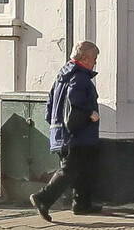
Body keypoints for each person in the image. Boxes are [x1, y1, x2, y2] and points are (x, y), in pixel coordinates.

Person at [33, 40, 102, 219]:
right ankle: (43, 198)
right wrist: (91, 113)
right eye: (94, 58)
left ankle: (82, 204)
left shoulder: (62, 76)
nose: (94, 62)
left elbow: (49, 104)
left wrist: (54, 125)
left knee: (83, 168)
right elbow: (75, 99)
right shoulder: (79, 77)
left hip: (60, 132)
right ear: (85, 58)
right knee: (70, 170)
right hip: (76, 134)